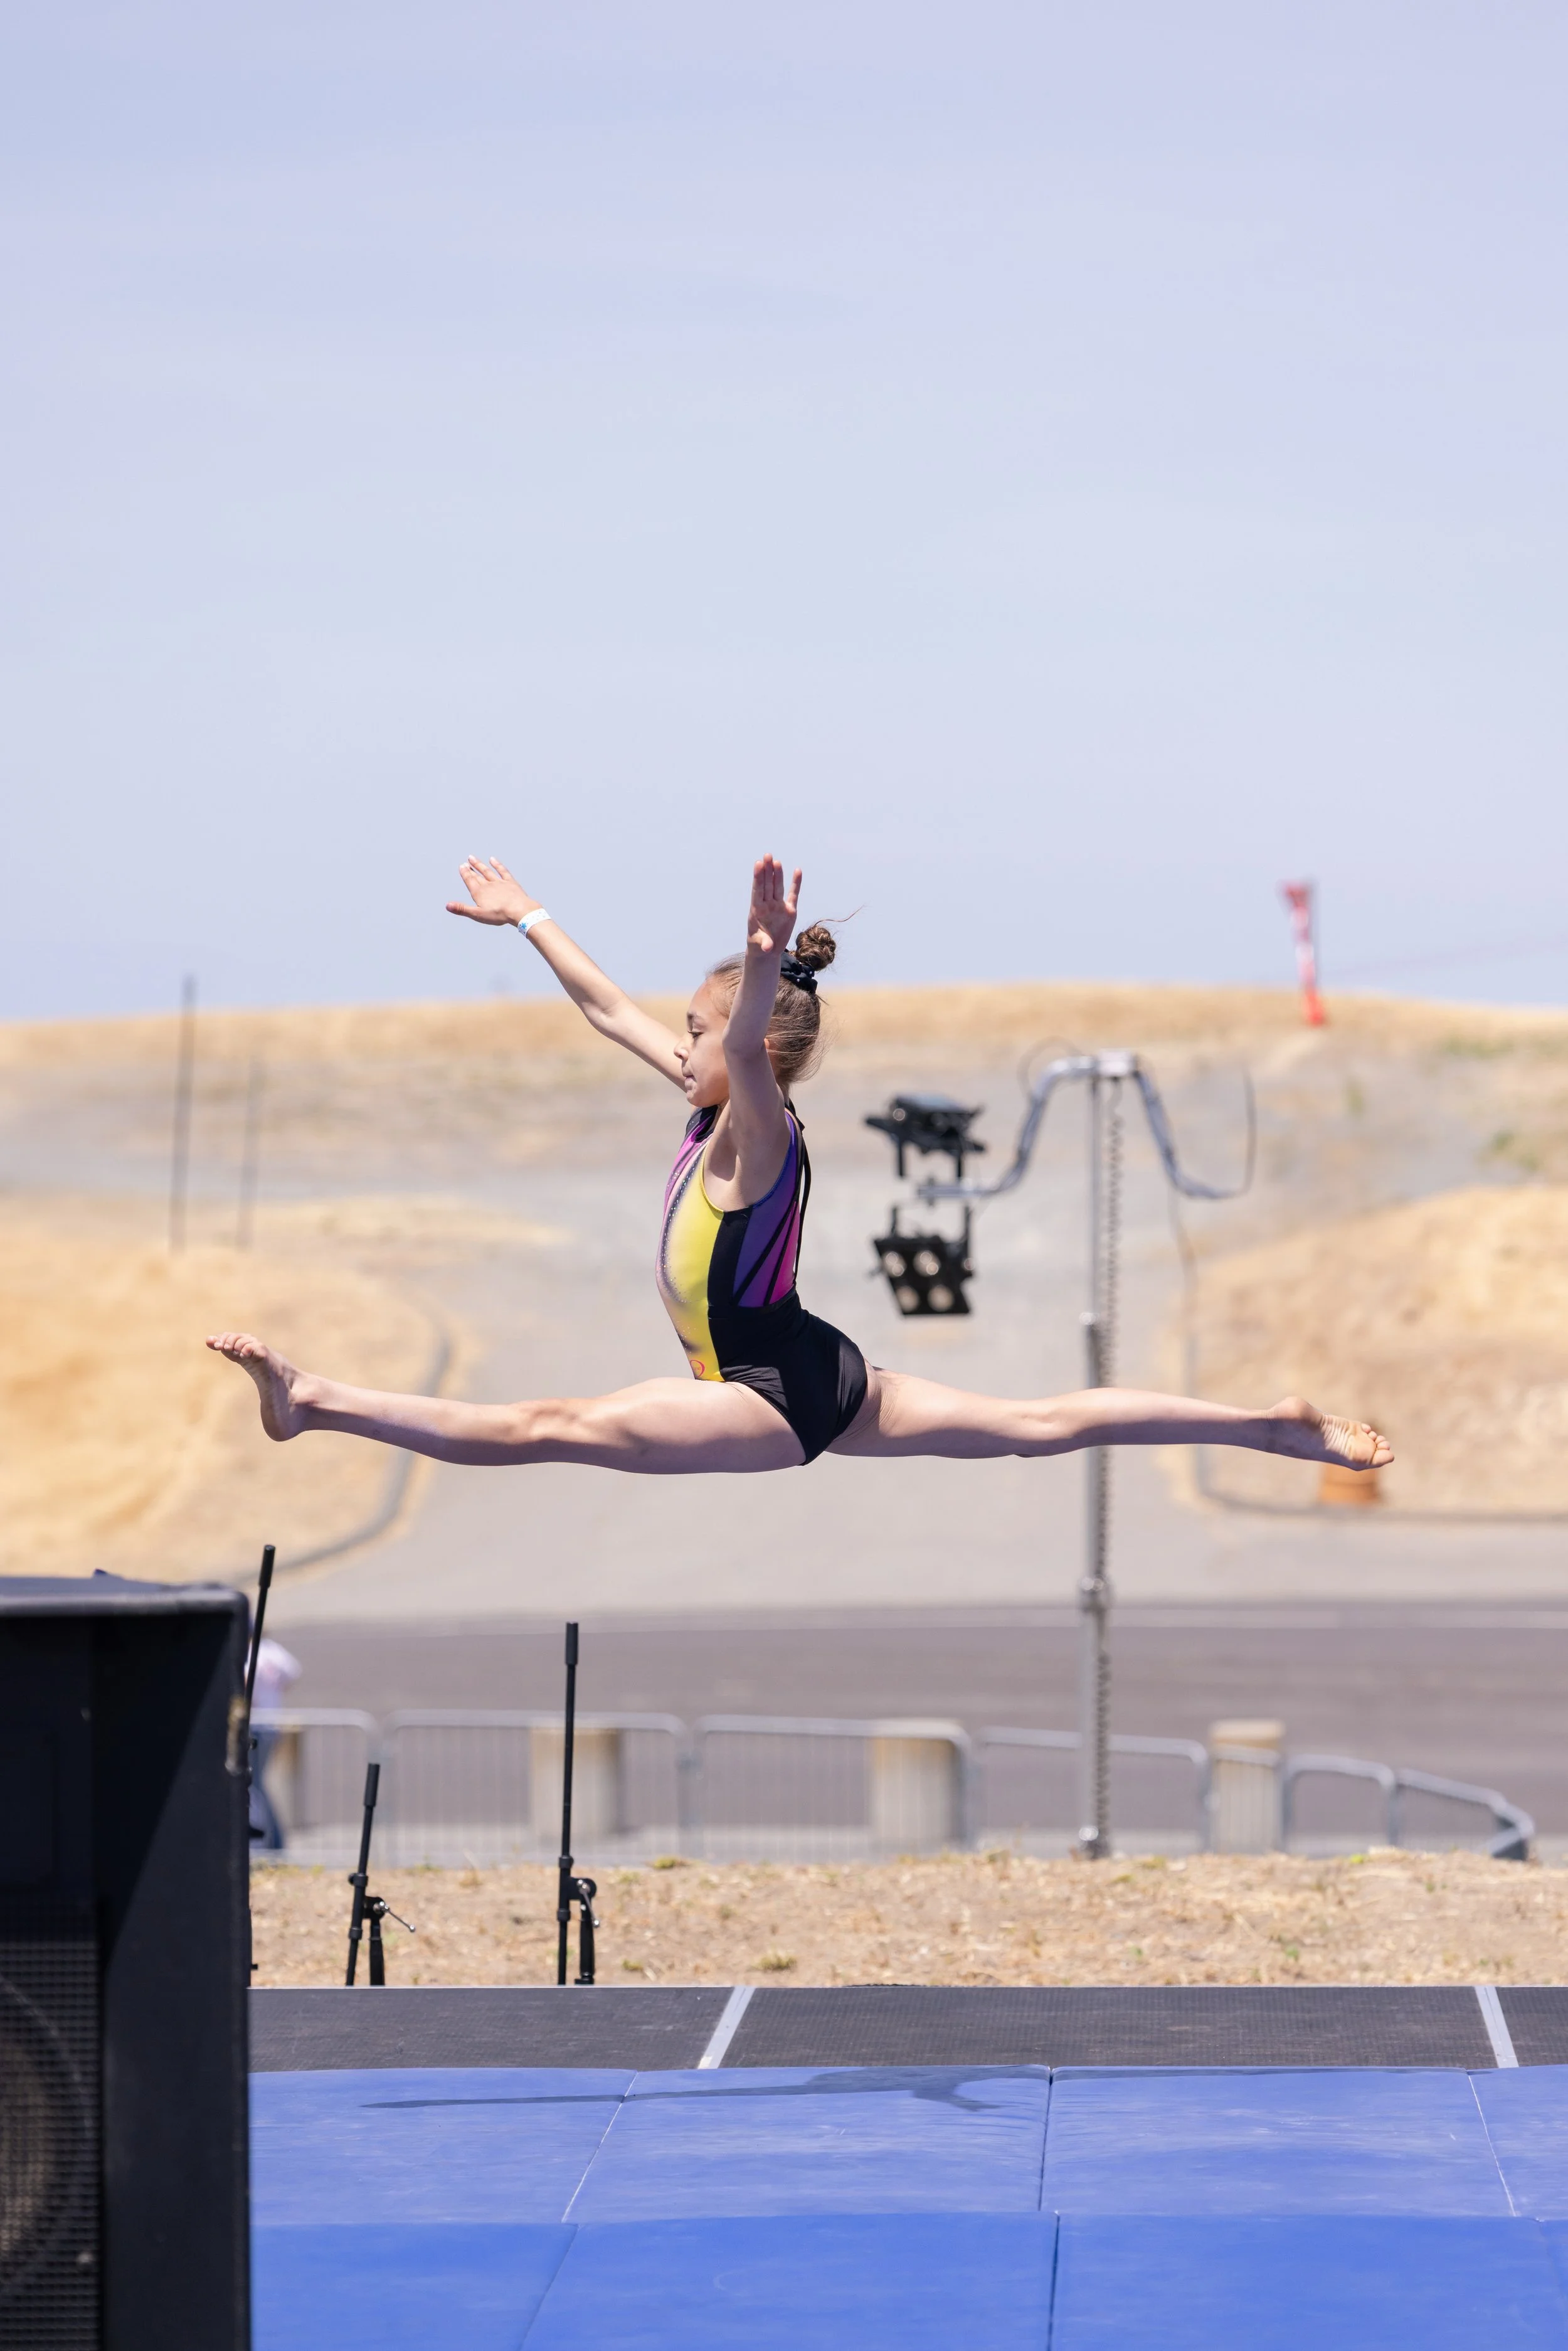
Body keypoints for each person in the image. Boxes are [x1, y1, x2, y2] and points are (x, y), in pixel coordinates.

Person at [208, 853, 1392, 1480]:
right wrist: (529, 919)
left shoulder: (757, 1130)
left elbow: (735, 1042)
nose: (674, 1046)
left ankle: (314, 1404)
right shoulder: (704, 1103)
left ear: (750, 1053)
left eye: (697, 1036)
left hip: (768, 1393)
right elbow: (606, 1004)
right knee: (1038, 1425)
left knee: (545, 1425)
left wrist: (764, 967)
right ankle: (1270, 1426)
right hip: (813, 1360)